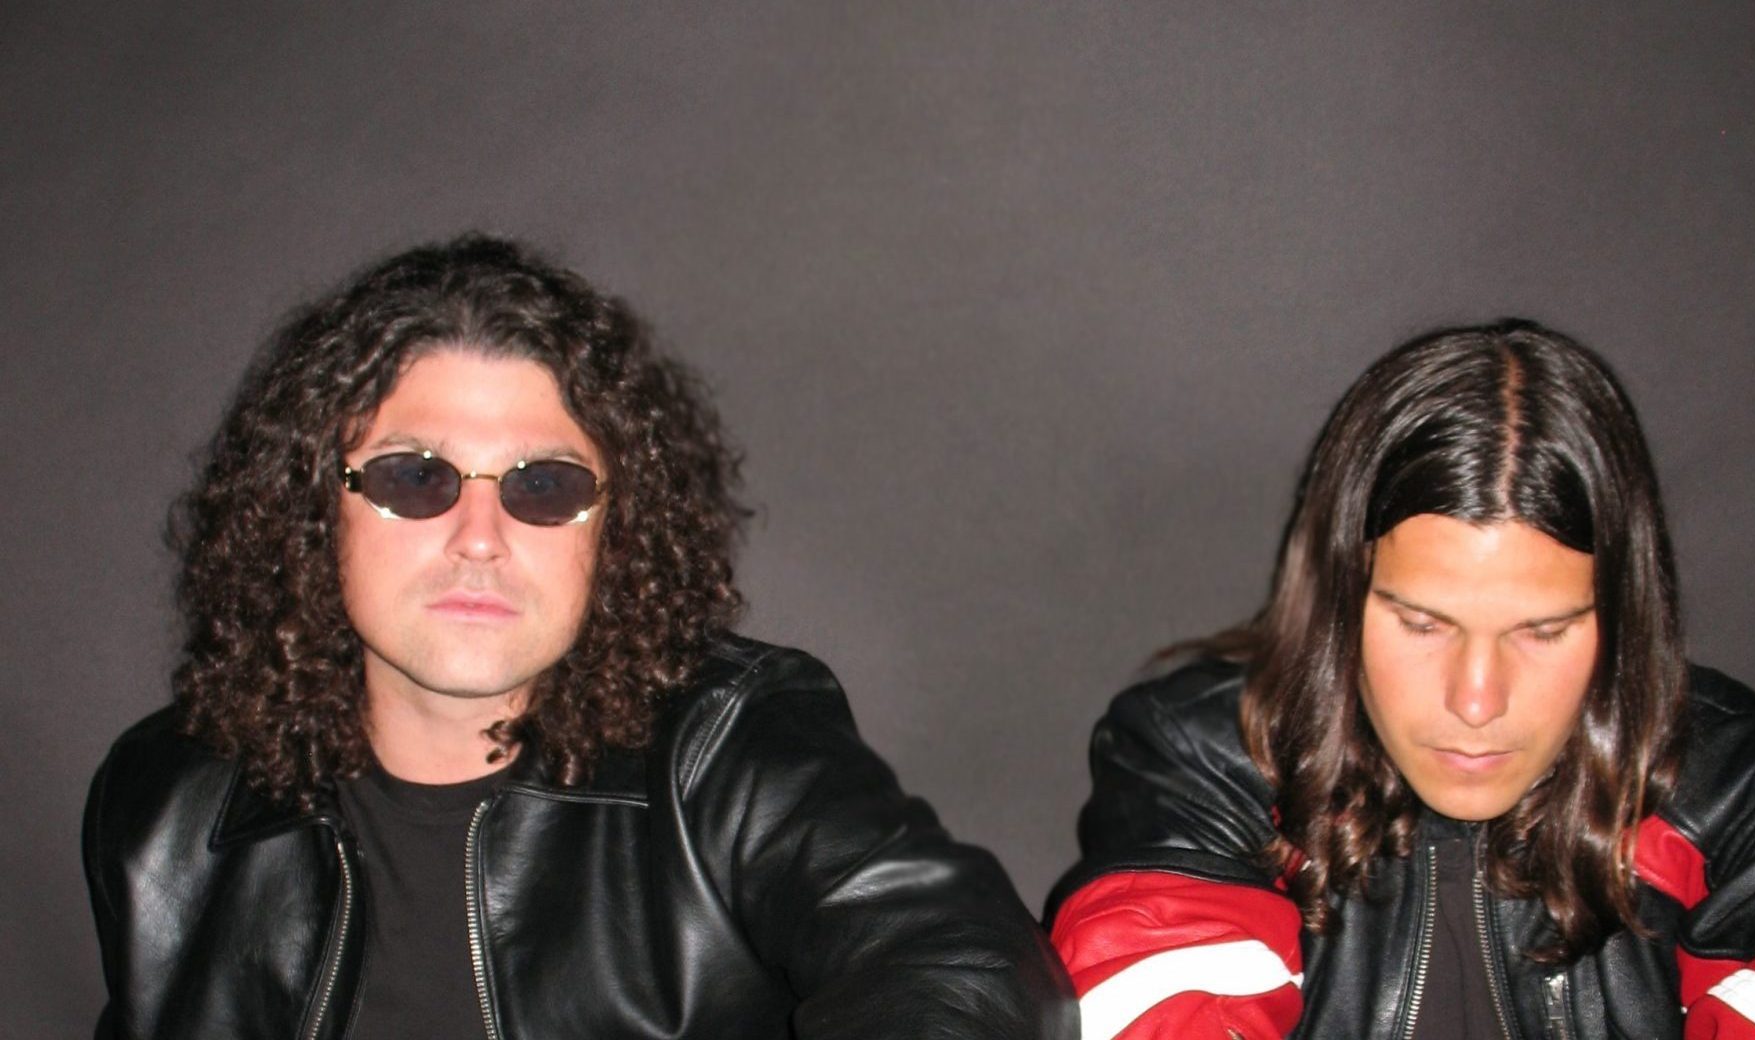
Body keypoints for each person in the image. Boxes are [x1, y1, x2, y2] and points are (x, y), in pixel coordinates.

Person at [84, 234, 1074, 1040]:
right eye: (415, 477)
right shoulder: (169, 804)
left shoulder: (724, 751)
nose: (480, 536)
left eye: (544, 486)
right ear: (313, 510)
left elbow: (963, 967)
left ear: (612, 531)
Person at [1047, 320, 1755, 1039]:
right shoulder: (1208, 755)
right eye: (1422, 623)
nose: (1475, 700)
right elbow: (1162, 1003)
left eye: (1544, 630)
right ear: (1341, 596)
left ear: (1624, 615)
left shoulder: (1740, 785)